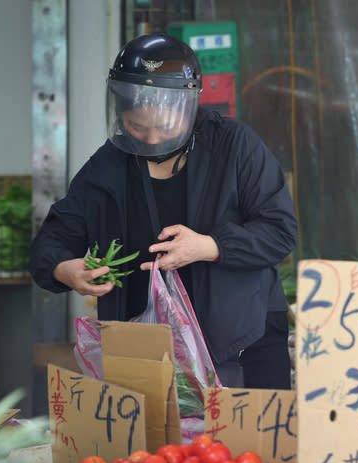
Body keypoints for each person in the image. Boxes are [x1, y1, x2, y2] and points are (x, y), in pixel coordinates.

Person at [29, 33, 297, 390]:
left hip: (247, 342)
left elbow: (280, 231)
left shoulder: (234, 145)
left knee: (250, 447)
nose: (151, 139)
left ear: (190, 108)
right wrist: (65, 269)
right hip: (146, 351)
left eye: (165, 127)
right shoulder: (108, 166)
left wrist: (209, 246)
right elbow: (53, 240)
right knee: (159, 447)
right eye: (137, 127)